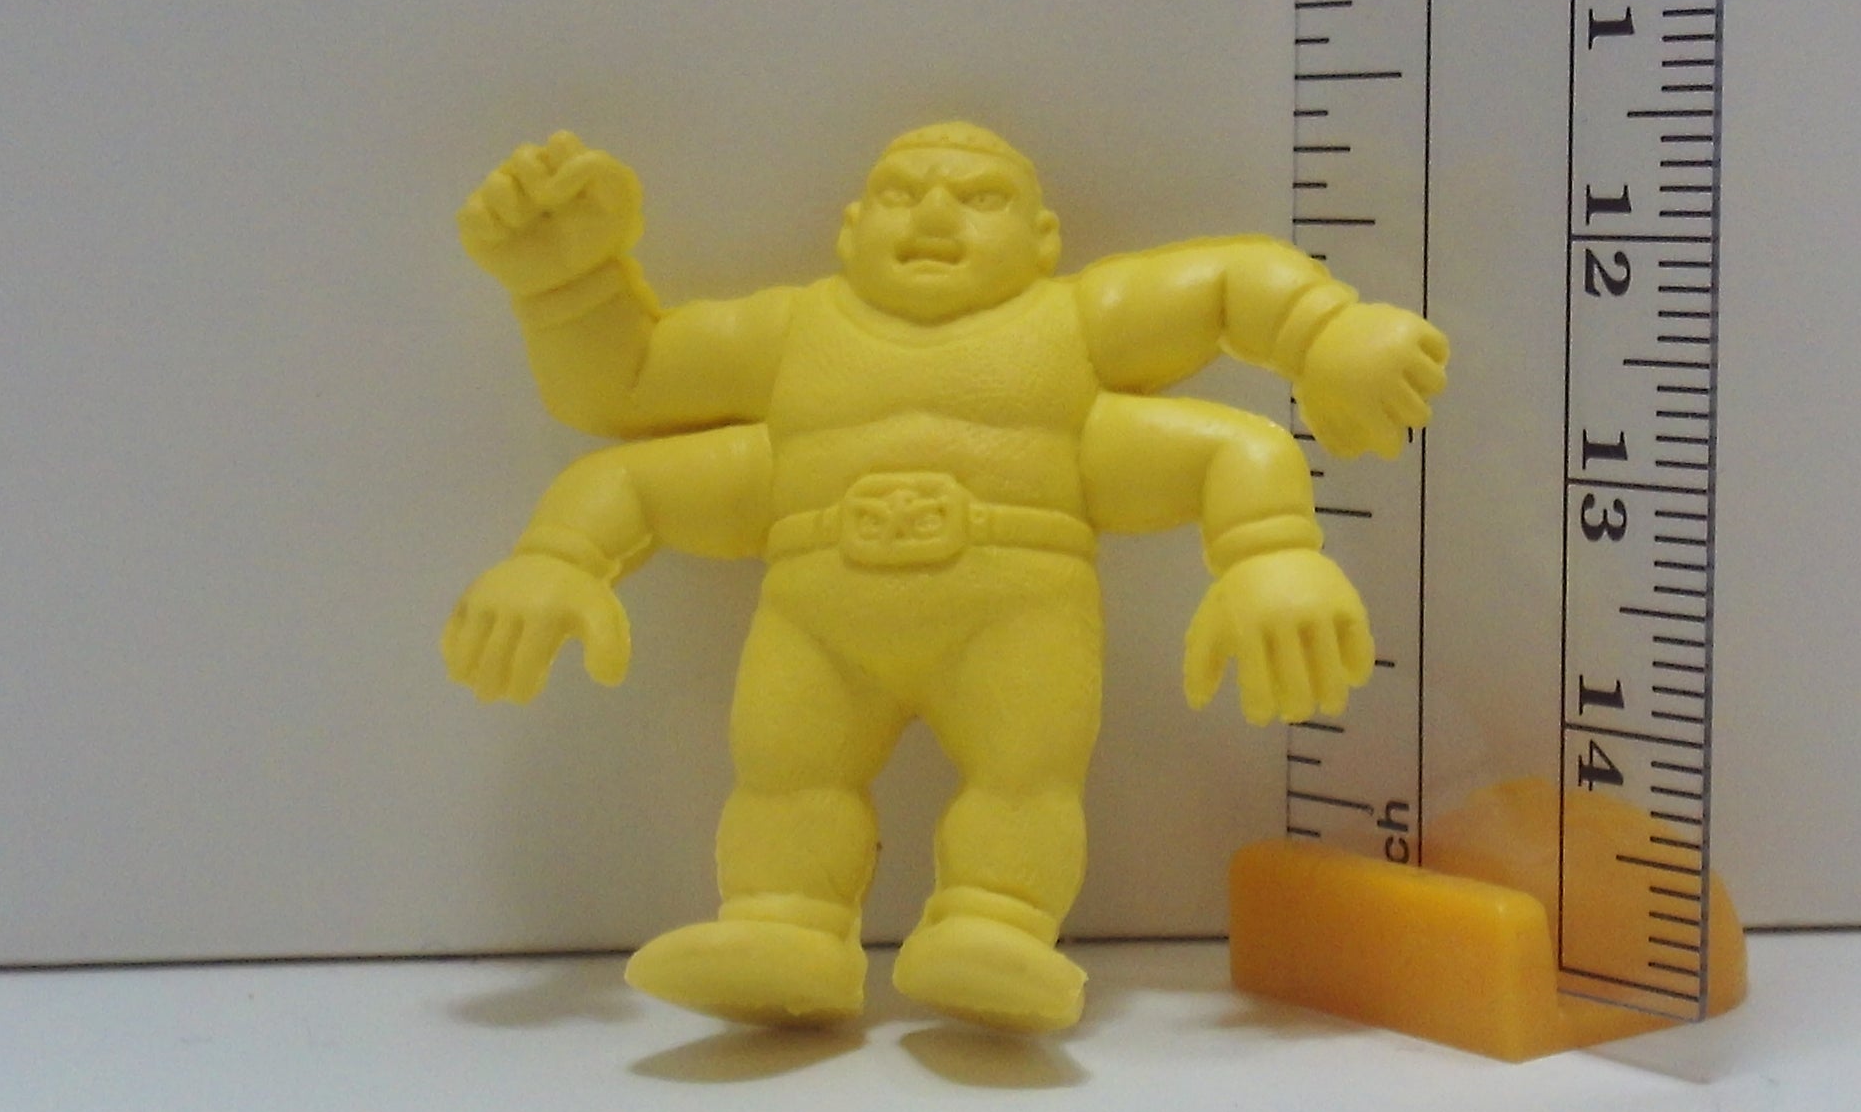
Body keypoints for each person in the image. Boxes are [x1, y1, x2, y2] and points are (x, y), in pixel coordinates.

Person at [443, 121, 1448, 1031]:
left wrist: (1284, 493)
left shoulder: (1069, 326)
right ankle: (782, 923)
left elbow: (1228, 304)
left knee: (1023, 781)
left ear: (1043, 240)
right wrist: (566, 297)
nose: (931, 215)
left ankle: (995, 925)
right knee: (786, 779)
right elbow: (625, 392)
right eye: (898, 193)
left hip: (1018, 617)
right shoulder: (791, 335)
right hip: (816, 619)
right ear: (848, 231)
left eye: (979, 198)